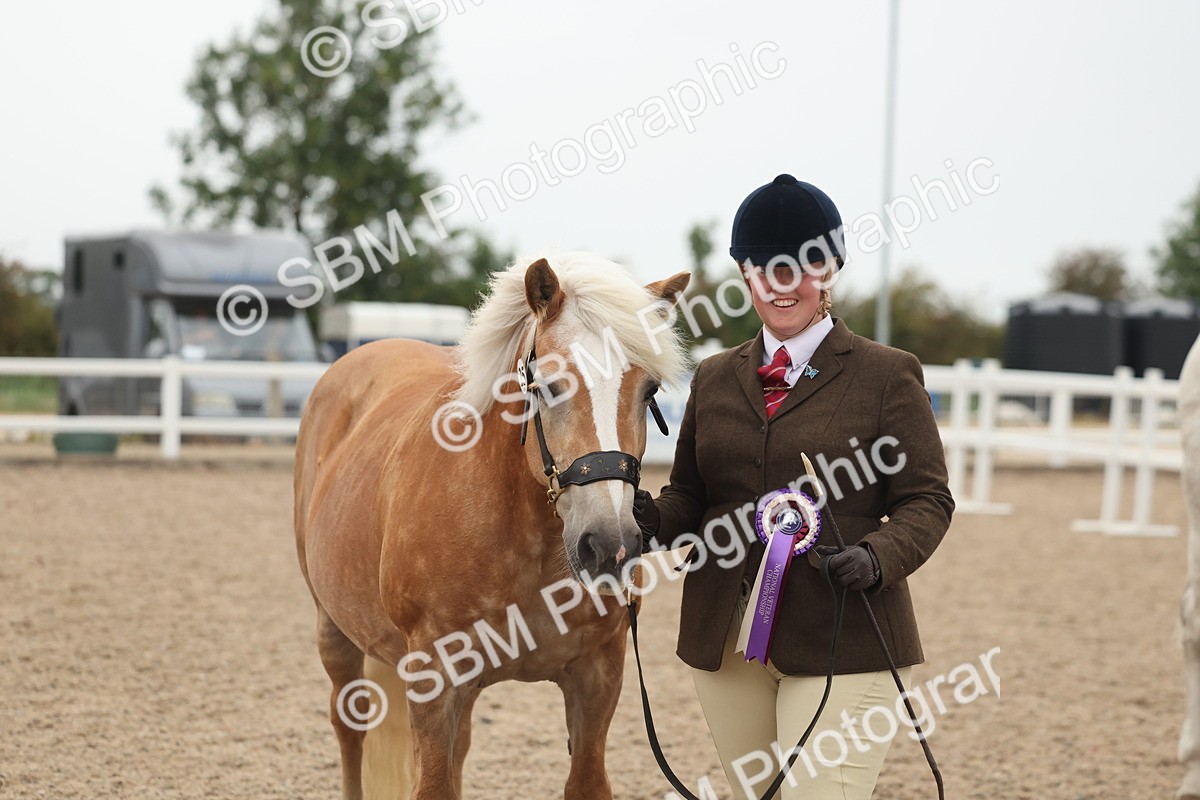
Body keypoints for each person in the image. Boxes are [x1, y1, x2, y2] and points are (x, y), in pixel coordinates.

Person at [633, 174, 954, 800]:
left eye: (805, 265)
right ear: (746, 275)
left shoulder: (887, 376)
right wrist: (646, 520)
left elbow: (928, 499)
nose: (785, 284)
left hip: (847, 631)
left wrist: (879, 556)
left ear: (830, 269)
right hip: (727, 639)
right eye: (765, 268)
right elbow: (692, 498)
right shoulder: (715, 377)